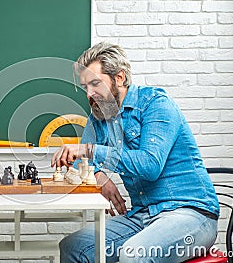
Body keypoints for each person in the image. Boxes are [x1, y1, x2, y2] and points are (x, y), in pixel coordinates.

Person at [51, 43, 219, 262]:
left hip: (190, 213)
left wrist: (90, 150)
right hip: (142, 214)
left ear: (119, 78)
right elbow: (78, 163)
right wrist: (100, 177)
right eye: (85, 87)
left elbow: (149, 165)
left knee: (133, 255)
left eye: (95, 84)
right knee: (74, 247)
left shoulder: (156, 104)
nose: (89, 94)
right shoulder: (99, 116)